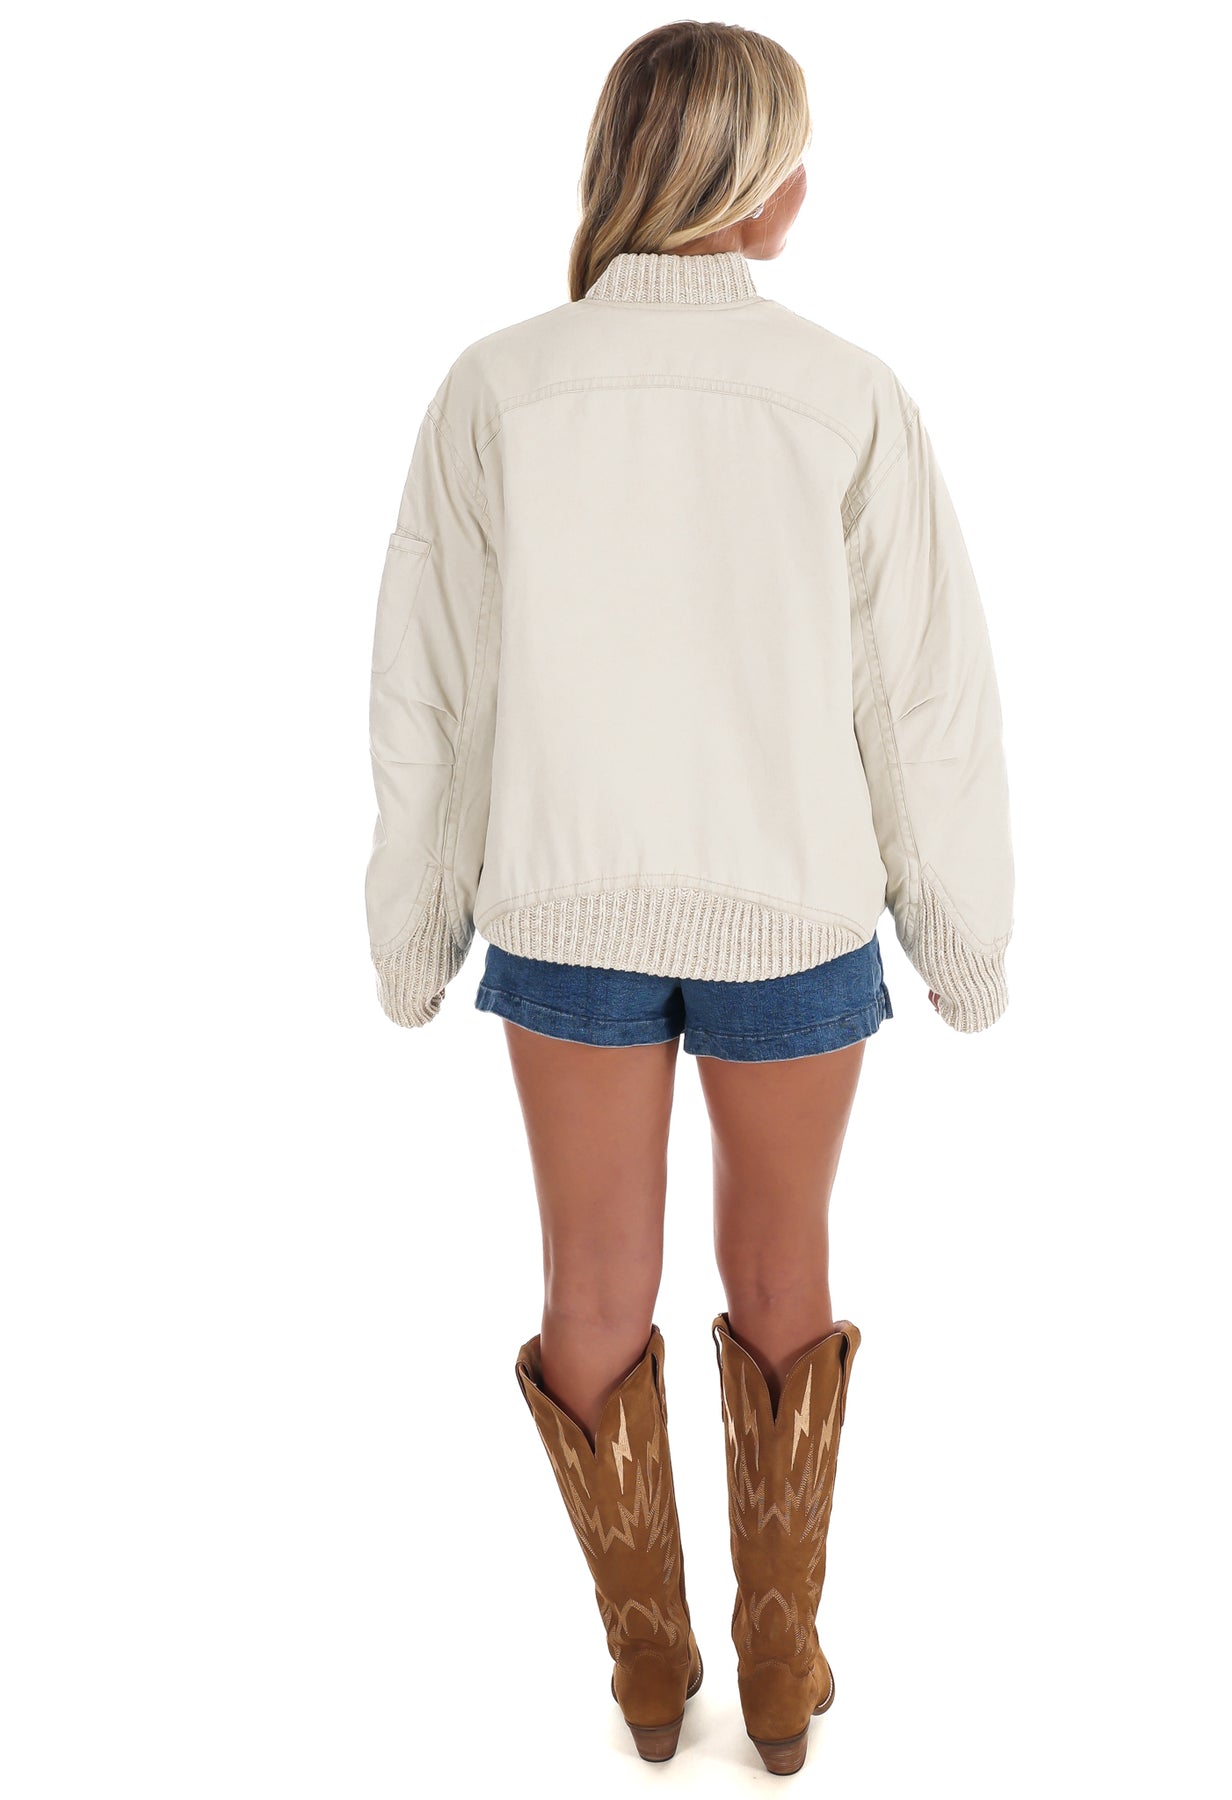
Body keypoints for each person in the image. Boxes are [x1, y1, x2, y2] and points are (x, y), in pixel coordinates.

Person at [363, 19, 1014, 1775]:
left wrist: (414, 926)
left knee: (591, 1284)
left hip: (565, 904)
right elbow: (919, 693)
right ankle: (779, 1669)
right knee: (784, 1268)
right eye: (793, 151)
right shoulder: (843, 391)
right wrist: (959, 934)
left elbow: (435, 685)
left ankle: (650, 1672)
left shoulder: (498, 385)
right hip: (790, 904)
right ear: (751, 180)